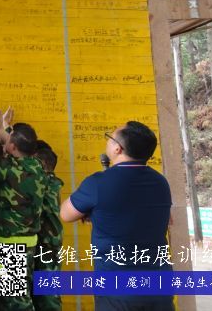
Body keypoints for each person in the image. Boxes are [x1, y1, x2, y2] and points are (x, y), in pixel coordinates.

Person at [60, 121, 174, 311]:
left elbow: (65, 214)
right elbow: (166, 219)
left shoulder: (98, 183)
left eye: (110, 137)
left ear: (118, 148)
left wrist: (95, 211)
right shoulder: (161, 182)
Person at [0, 112, 48, 311]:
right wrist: (3, 129)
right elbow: (15, 146)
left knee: (14, 303)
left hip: (7, 244)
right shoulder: (37, 166)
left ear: (12, 147)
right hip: (29, 242)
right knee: (14, 300)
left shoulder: (6, 168)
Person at [33, 141, 64, 311]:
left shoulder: (43, 182)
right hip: (44, 244)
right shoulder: (49, 182)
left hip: (43, 245)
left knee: (47, 297)